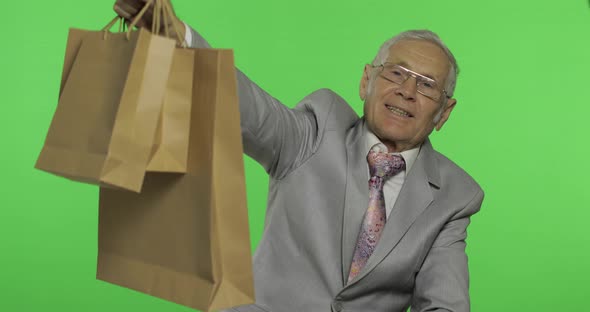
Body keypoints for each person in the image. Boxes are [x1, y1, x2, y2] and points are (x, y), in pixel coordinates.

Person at [114, 1, 485, 311]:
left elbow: (444, 301)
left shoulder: (455, 195)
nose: (407, 90)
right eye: (396, 73)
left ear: (444, 112)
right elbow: (243, 108)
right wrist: (175, 36)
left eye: (427, 85)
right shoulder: (317, 129)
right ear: (366, 81)